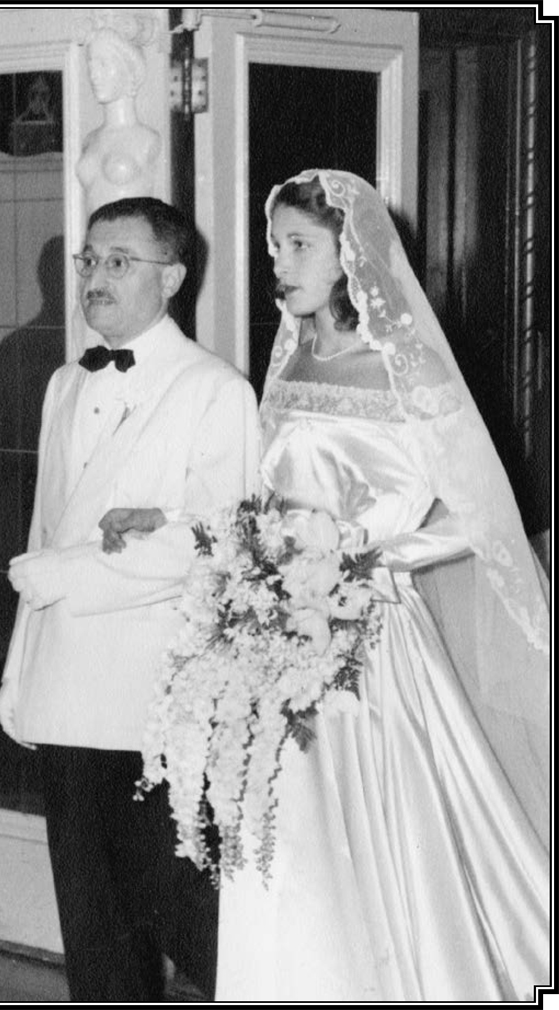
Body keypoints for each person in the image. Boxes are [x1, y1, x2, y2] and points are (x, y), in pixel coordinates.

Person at [213, 170, 550, 1001]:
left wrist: (367, 559)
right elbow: (272, 503)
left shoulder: (404, 374)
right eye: (274, 247)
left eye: (299, 246)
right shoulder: (288, 370)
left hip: (376, 646)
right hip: (281, 638)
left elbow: (477, 515)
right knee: (286, 841)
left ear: (350, 257)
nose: (279, 264)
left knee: (389, 834)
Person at [0, 195, 260, 1003]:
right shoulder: (66, 384)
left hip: (153, 698)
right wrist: (18, 673)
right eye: (89, 260)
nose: (96, 278)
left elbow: (211, 542)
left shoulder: (216, 391)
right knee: (92, 924)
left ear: (172, 276)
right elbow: (46, 531)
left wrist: (69, 576)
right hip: (67, 693)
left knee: (184, 911)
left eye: (120, 262)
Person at [76, 28, 163, 215]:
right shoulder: (90, 140)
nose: (94, 75)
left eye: (103, 64)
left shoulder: (149, 140)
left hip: (133, 240)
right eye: (91, 66)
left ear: (129, 69)